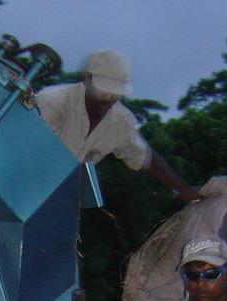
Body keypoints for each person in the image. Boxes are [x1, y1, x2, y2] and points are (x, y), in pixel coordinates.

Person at [37, 49, 200, 202]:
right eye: (102, 90)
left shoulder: (121, 122)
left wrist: (183, 189)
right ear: (87, 78)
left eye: (114, 92)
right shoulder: (53, 101)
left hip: (58, 198)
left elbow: (145, 157)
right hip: (21, 181)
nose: (107, 98)